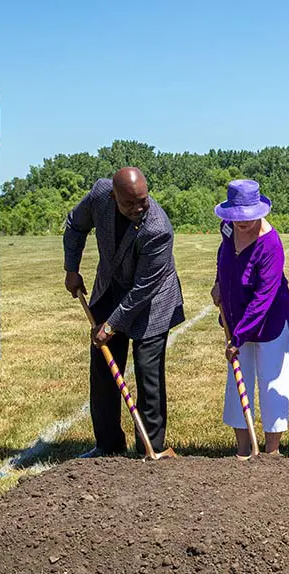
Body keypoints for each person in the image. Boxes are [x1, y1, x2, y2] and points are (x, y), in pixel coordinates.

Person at [63, 167, 185, 458]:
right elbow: (75, 225)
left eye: (142, 201)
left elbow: (143, 288)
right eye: (128, 203)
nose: (136, 209)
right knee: (104, 368)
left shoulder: (158, 228)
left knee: (147, 371)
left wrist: (112, 324)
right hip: (111, 286)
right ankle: (107, 444)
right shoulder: (99, 195)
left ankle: (152, 447)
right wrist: (71, 269)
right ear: (114, 195)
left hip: (153, 298)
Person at [211, 179, 289, 458]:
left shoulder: (271, 244)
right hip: (236, 315)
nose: (241, 223)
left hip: (269, 320)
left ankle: (271, 451)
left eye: (247, 218)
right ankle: (243, 450)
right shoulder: (226, 228)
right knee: (238, 383)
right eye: (237, 218)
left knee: (272, 381)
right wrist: (218, 283)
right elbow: (223, 256)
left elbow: (264, 297)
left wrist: (238, 337)